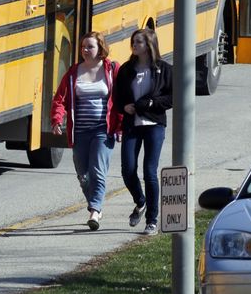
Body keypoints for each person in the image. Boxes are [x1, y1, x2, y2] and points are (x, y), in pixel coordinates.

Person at [50, 31, 122, 231]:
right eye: (83, 47)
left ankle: (95, 211)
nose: (85, 50)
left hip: (102, 130)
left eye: (90, 46)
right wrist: (57, 120)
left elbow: (120, 99)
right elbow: (60, 99)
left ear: (100, 49)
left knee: (97, 171)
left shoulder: (110, 70)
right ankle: (95, 203)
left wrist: (120, 126)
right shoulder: (74, 72)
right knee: (83, 175)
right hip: (79, 132)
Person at [113, 28, 173, 236]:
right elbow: (117, 96)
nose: (134, 45)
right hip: (132, 124)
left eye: (138, 42)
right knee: (128, 169)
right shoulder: (127, 69)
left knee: (150, 172)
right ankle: (141, 202)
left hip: (154, 125)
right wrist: (125, 107)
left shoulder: (164, 69)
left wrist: (151, 103)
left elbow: (172, 97)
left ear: (149, 45)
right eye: (134, 42)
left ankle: (152, 220)